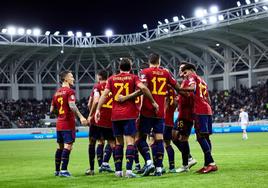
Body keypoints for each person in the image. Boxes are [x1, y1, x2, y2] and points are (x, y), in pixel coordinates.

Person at [119, 53, 182, 176]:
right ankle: (159, 169)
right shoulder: (166, 73)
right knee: (159, 140)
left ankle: (149, 162)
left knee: (139, 138)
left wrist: (126, 97)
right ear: (159, 61)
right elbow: (178, 88)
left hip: (147, 110)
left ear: (149, 61)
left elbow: (143, 89)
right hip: (160, 112)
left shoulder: (145, 72)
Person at [95, 58, 158, 178]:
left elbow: (104, 95)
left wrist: (98, 110)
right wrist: (153, 102)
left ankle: (118, 171)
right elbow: (143, 88)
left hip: (115, 115)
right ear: (130, 67)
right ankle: (129, 170)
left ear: (119, 67)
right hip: (129, 114)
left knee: (118, 142)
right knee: (130, 141)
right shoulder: (133, 78)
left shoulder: (111, 79)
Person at [181, 63, 218, 174]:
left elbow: (192, 88)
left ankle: (211, 163)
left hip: (199, 110)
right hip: (207, 109)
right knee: (206, 137)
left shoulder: (193, 77)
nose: (185, 75)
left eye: (185, 72)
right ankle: (207, 164)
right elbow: (209, 99)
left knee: (201, 137)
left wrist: (179, 88)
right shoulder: (203, 81)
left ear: (191, 70)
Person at [50, 70, 87, 177]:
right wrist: (81, 117)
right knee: (68, 146)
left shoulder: (56, 93)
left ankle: (57, 170)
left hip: (59, 124)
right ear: (66, 79)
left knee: (59, 147)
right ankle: (64, 170)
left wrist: (60, 113)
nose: (73, 79)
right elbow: (72, 106)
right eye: (71, 77)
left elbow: (51, 110)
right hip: (67, 123)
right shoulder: (70, 91)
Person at [87, 70, 115, 173]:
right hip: (110, 119)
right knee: (113, 143)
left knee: (93, 142)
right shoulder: (112, 86)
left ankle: (92, 169)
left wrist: (90, 115)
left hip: (97, 119)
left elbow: (94, 101)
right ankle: (118, 170)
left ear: (99, 77)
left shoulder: (97, 87)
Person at [173, 63, 197, 173]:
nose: (181, 70)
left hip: (187, 115)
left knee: (182, 138)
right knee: (174, 136)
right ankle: (189, 158)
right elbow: (181, 98)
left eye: (183, 68)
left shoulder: (189, 81)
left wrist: (178, 89)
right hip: (181, 114)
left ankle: (186, 164)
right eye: (180, 68)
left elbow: (188, 95)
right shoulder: (184, 82)